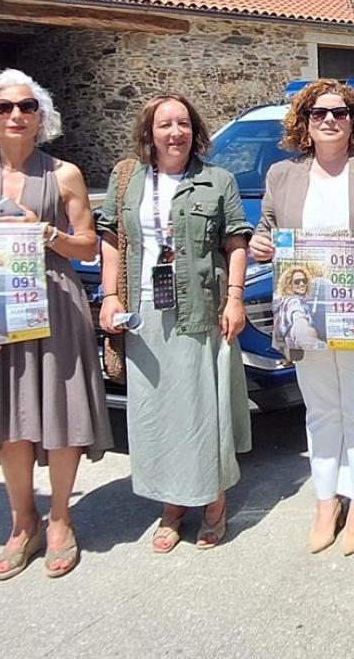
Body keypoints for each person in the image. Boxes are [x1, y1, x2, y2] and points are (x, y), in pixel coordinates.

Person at [0, 69, 111, 580]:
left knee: (59, 417)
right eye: (4, 107)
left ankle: (60, 519)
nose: (16, 115)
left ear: (41, 118)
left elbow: (88, 244)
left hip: (54, 305)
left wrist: (48, 233)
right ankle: (23, 522)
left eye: (27, 107)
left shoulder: (64, 175)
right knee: (9, 420)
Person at [249, 80, 354, 558]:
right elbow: (268, 228)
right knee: (320, 410)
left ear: (353, 121)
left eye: (340, 114)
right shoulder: (283, 174)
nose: (329, 121)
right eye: (319, 114)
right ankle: (326, 501)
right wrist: (261, 243)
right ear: (304, 121)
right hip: (304, 311)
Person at [96, 91, 251, 554]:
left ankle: (213, 502)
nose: (175, 132)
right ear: (150, 133)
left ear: (195, 130)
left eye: (183, 123)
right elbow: (110, 240)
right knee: (157, 414)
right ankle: (170, 507)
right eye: (164, 124)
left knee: (202, 411)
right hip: (143, 314)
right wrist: (108, 296)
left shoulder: (217, 181)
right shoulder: (129, 181)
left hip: (201, 309)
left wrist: (236, 299)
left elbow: (236, 242)